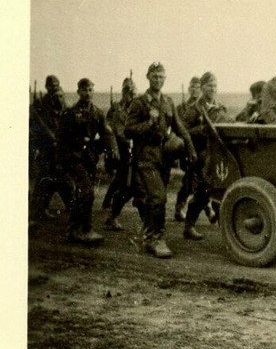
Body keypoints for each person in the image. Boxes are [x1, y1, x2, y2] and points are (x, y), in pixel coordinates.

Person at [125, 62, 196, 258]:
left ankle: (149, 235)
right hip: (146, 157)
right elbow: (128, 130)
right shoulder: (139, 103)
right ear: (148, 77)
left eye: (161, 77)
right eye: (155, 76)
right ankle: (156, 239)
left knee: (155, 197)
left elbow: (179, 127)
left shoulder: (168, 102)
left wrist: (190, 147)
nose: (158, 80)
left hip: (164, 157)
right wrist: (148, 123)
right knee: (158, 197)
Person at [57, 78, 119, 244]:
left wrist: (113, 149)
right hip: (74, 159)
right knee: (87, 192)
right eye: (84, 90)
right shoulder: (70, 113)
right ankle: (85, 229)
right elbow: (61, 138)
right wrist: (64, 159)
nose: (88, 93)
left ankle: (74, 229)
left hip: (89, 159)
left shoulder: (97, 113)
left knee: (84, 193)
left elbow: (108, 133)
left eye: (91, 89)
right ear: (78, 92)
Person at [182, 71, 228, 240]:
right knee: (204, 192)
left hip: (218, 156)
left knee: (220, 189)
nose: (213, 89)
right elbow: (184, 132)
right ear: (202, 88)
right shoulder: (194, 109)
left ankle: (226, 226)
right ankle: (189, 226)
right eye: (209, 86)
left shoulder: (219, 107)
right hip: (200, 156)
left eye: (215, 86)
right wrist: (202, 130)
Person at [29, 75, 73, 221]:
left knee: (58, 177)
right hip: (47, 147)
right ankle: (39, 209)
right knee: (47, 177)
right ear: (47, 87)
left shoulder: (61, 100)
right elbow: (37, 126)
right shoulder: (41, 104)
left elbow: (66, 117)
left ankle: (67, 205)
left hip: (60, 145)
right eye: (51, 85)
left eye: (56, 84)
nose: (54, 87)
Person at [102, 77, 138, 230]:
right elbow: (110, 128)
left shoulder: (137, 107)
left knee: (127, 182)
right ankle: (111, 211)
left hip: (135, 148)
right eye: (126, 90)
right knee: (124, 182)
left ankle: (111, 209)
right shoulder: (116, 108)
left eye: (131, 91)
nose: (129, 94)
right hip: (121, 148)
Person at [174, 77, 203, 220]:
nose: (194, 90)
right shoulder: (181, 108)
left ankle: (181, 209)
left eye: (197, 87)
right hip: (187, 148)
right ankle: (179, 209)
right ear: (188, 89)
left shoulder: (202, 106)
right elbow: (179, 128)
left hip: (200, 146)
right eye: (192, 87)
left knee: (195, 180)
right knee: (190, 180)